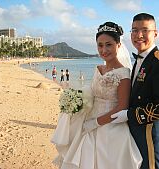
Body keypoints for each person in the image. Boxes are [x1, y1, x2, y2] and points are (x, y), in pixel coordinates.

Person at [51, 21, 142, 169]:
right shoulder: (98, 68)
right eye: (100, 45)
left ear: (118, 45)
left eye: (109, 44)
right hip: (89, 121)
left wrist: (95, 123)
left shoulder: (124, 73)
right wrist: (77, 101)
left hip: (111, 128)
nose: (104, 50)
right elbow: (92, 93)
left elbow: (122, 108)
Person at [111, 13, 159, 169]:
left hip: (149, 132)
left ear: (155, 33)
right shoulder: (141, 60)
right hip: (135, 130)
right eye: (134, 30)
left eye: (145, 30)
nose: (139, 35)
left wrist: (129, 115)